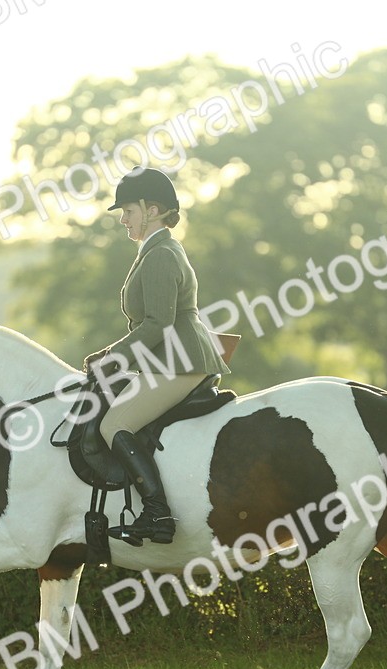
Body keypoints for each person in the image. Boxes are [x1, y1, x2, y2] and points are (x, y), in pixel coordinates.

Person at [83, 167, 230, 544]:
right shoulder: (154, 251)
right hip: (170, 359)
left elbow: (158, 325)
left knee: (113, 425)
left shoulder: (161, 254)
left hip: (182, 361)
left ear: (152, 210)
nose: (123, 219)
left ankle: (157, 513)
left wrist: (112, 358)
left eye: (128, 211)